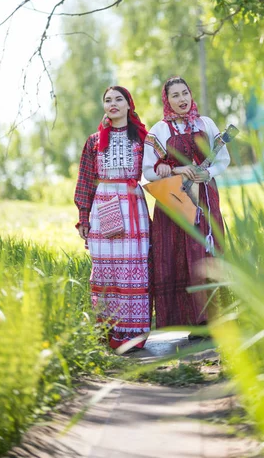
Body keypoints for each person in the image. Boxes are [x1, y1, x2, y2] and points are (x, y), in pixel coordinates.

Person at [142, 76, 230, 330]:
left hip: (206, 198)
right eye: (175, 95)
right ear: (167, 100)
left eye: (185, 93)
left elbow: (222, 158)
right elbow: (149, 170)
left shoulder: (206, 123)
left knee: (206, 252)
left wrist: (208, 173)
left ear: (191, 95)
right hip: (175, 201)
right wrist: (179, 169)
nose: (182, 100)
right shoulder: (158, 130)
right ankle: (189, 323)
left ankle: (214, 319)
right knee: (179, 256)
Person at [74, 86, 151, 351]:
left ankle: (132, 336)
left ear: (129, 104)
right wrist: (83, 217)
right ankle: (107, 333)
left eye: (119, 99)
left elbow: (159, 167)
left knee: (133, 267)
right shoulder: (94, 140)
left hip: (132, 206)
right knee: (106, 268)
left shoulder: (143, 138)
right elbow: (85, 180)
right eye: (108, 100)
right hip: (104, 204)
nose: (113, 104)